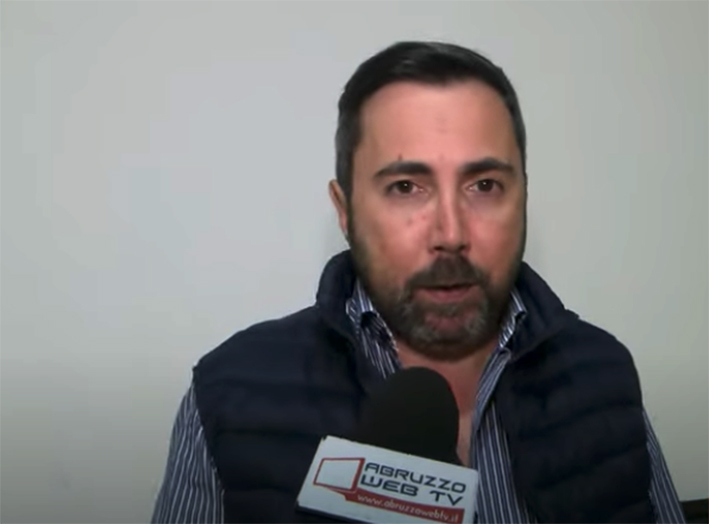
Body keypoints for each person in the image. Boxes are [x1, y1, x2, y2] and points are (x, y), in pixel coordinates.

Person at [151, 41, 685, 523]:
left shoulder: (603, 372)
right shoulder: (229, 394)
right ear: (345, 209)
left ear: (523, 196)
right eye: (406, 187)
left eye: (484, 185)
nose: (450, 234)